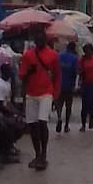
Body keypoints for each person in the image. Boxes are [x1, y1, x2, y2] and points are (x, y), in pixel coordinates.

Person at [19, 29, 60, 170]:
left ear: (45, 40)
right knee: (32, 125)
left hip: (46, 92)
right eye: (37, 39)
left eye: (41, 39)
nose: (39, 41)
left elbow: (57, 76)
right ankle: (37, 154)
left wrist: (56, 94)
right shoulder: (28, 55)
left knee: (42, 122)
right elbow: (22, 75)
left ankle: (44, 154)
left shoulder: (53, 55)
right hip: (31, 93)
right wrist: (29, 72)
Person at [55, 41, 79, 134]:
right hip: (69, 85)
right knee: (68, 106)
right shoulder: (74, 58)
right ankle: (66, 125)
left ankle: (59, 118)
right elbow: (76, 72)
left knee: (59, 104)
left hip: (59, 84)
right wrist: (76, 85)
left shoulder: (59, 56)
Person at [78, 44, 93, 130]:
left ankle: (91, 117)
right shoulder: (82, 60)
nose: (88, 53)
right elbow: (79, 71)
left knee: (91, 102)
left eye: (89, 51)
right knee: (84, 104)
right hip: (85, 84)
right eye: (86, 51)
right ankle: (83, 124)